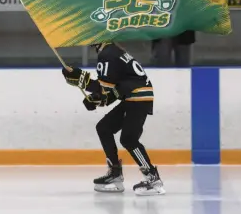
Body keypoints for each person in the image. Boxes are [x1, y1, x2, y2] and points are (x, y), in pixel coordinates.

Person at [61, 42, 165, 196]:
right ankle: (115, 174)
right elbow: (113, 90)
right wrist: (96, 99)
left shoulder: (107, 53)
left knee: (129, 139)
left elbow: (104, 88)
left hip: (137, 96)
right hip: (134, 95)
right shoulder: (112, 51)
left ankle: (153, 178)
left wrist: (80, 77)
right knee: (104, 127)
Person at [151, 0, 195, 67]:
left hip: (184, 29)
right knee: (162, 63)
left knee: (184, 65)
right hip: (163, 28)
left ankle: (183, 83)